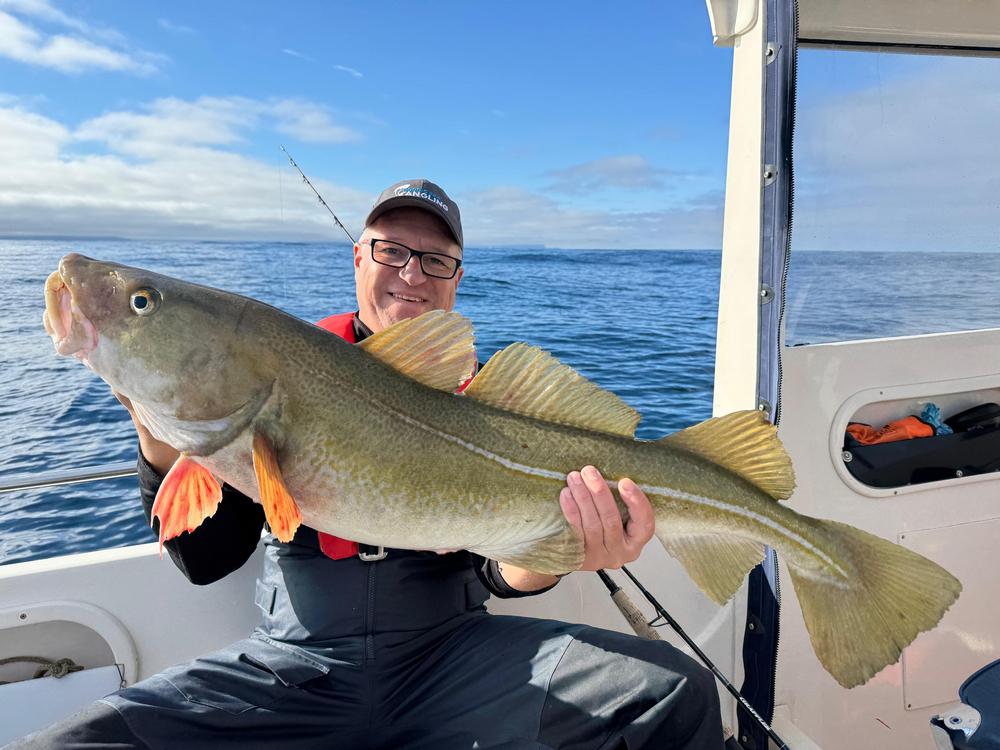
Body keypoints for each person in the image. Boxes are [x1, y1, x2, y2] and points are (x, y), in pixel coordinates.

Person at [10, 180, 724, 749]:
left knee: (673, 692)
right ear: (359, 259)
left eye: (436, 260)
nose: (412, 274)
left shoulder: (487, 409)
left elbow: (494, 575)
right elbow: (205, 561)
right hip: (295, 671)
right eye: (392, 251)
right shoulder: (275, 374)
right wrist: (158, 434)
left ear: (456, 279)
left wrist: (565, 549)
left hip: (453, 660)